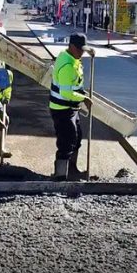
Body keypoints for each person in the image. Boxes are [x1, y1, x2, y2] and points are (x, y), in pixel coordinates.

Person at [49, 33, 92, 180]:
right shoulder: (67, 65)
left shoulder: (72, 57)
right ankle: (60, 176)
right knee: (67, 141)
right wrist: (84, 98)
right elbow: (66, 92)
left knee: (77, 138)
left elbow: (75, 83)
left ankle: (72, 170)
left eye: (84, 50)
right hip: (62, 109)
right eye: (80, 49)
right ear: (72, 46)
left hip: (71, 108)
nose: (82, 53)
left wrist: (81, 92)